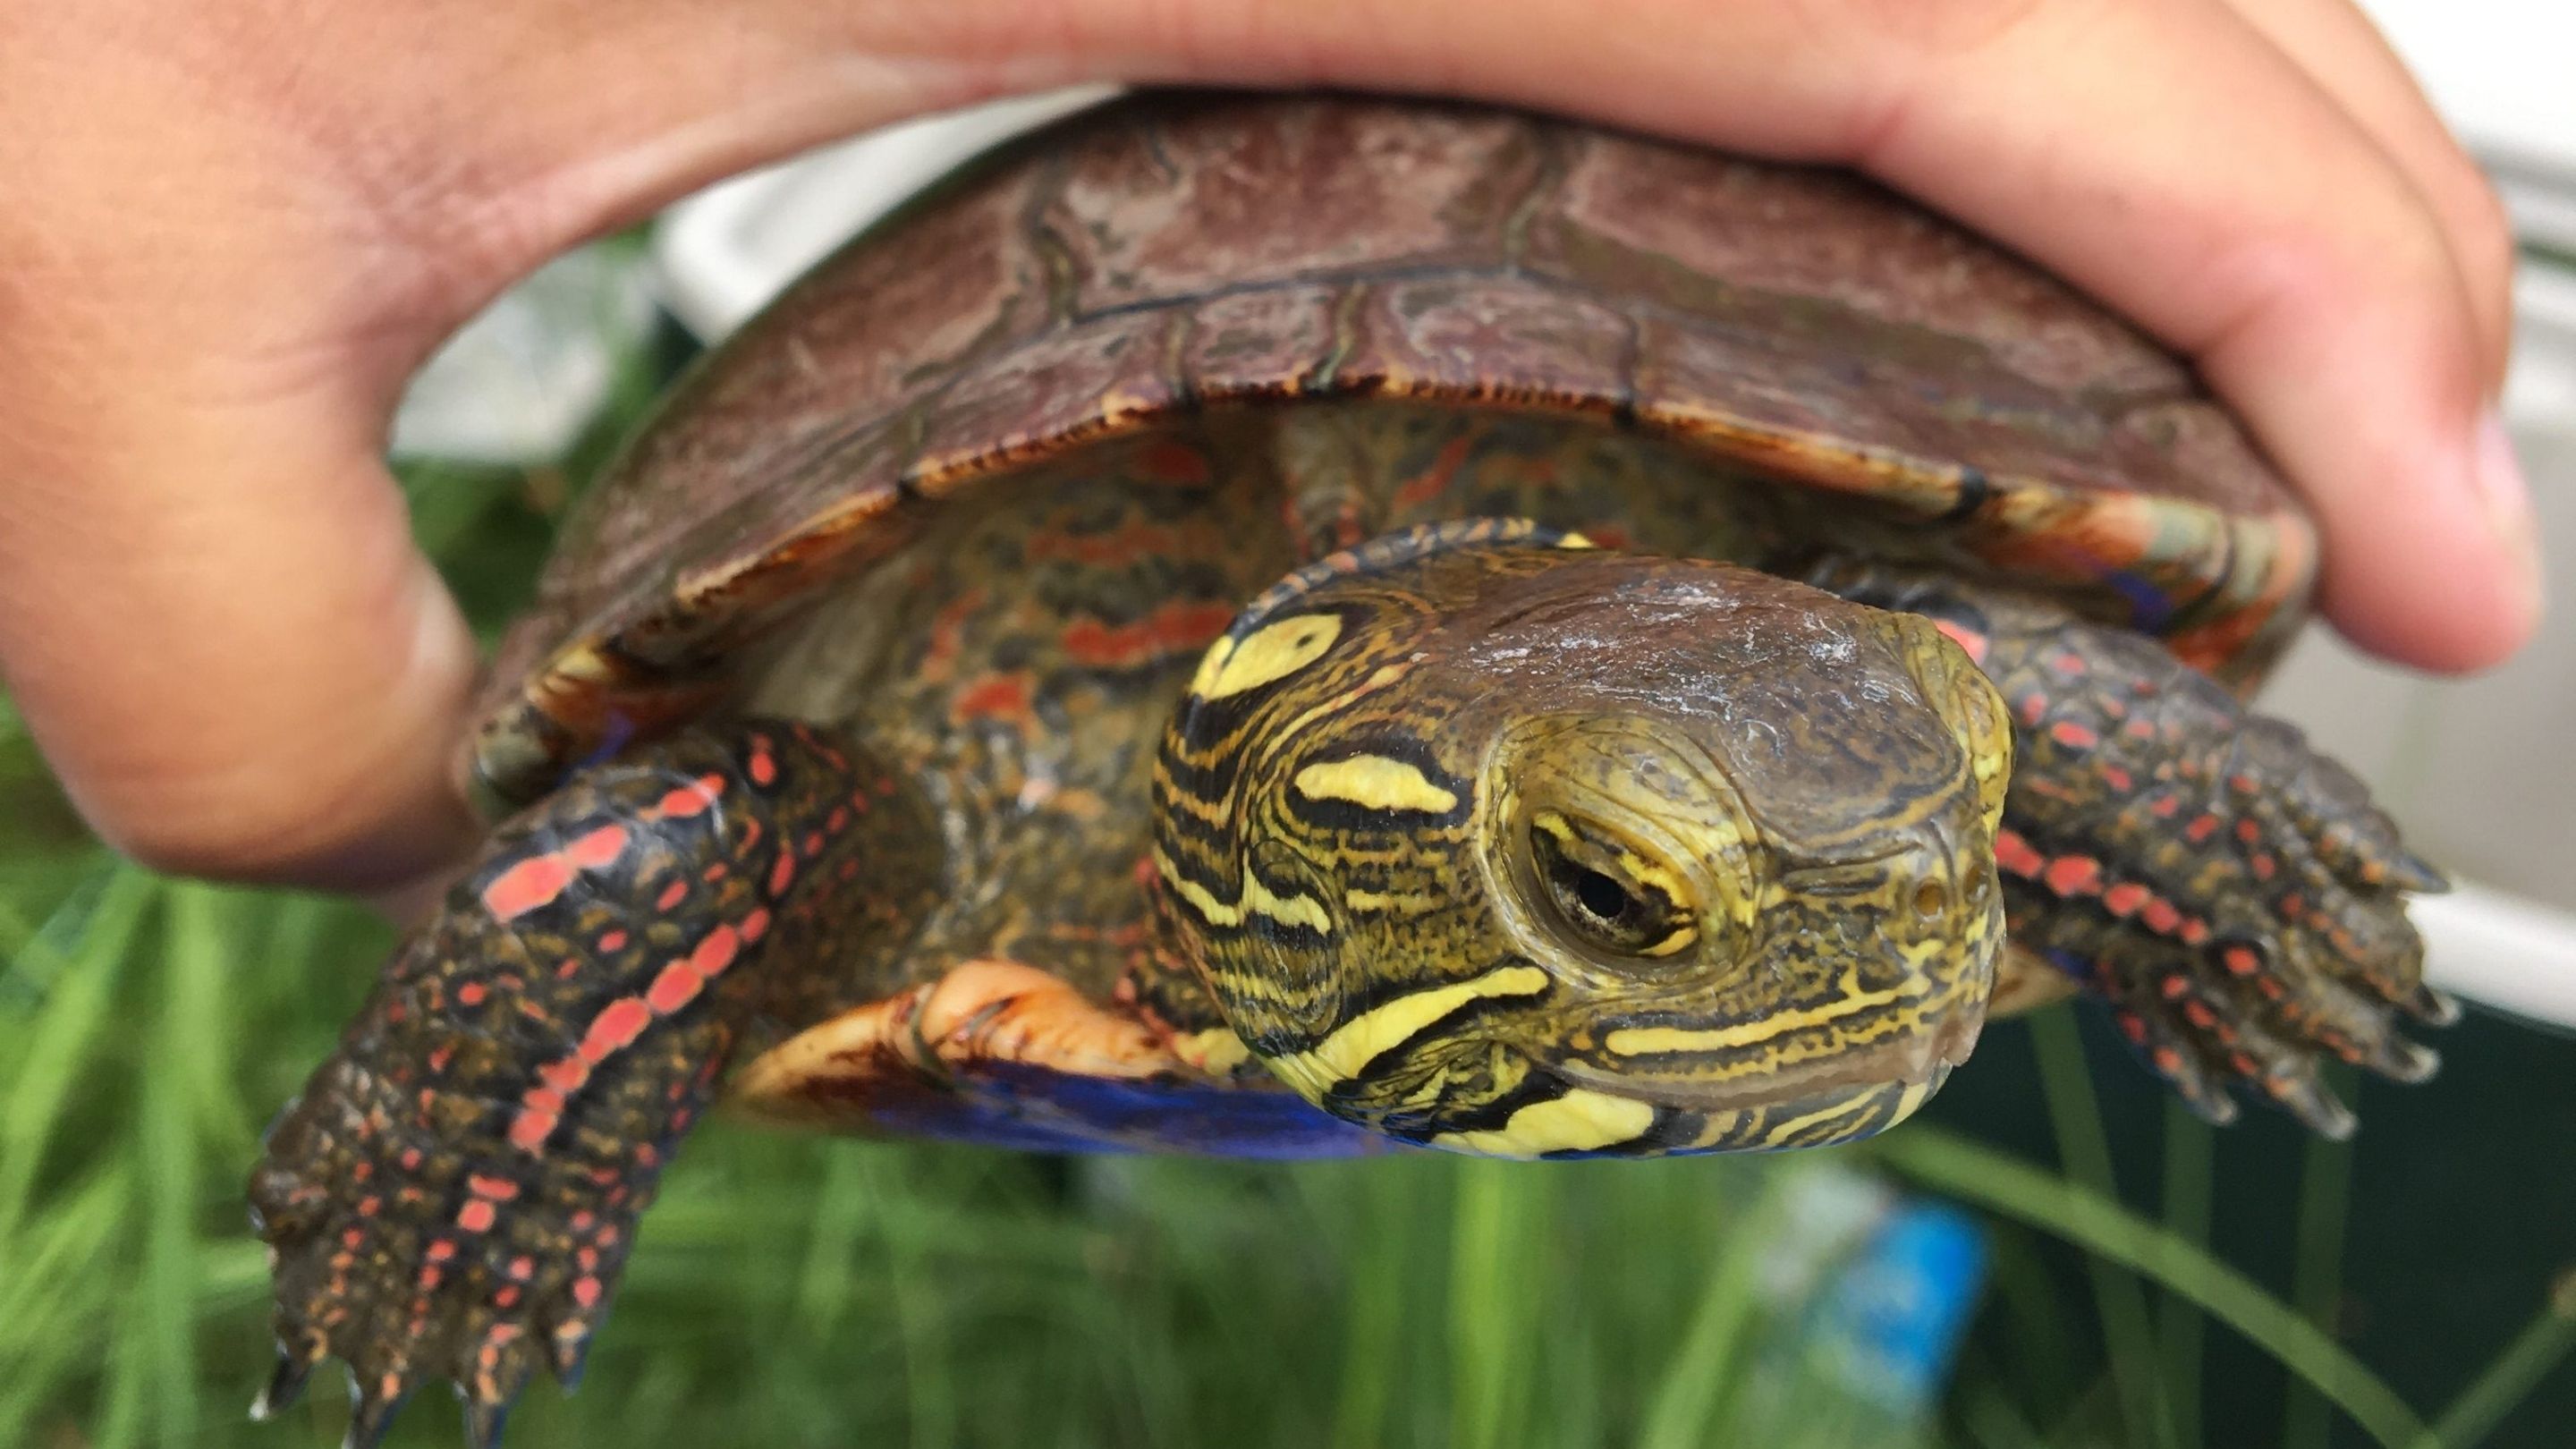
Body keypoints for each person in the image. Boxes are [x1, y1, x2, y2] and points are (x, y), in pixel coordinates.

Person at [0, 0, 2536, 898]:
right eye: (1645, 886)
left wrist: (2163, 844)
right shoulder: (917, 779)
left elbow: (1977, 697)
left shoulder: (1858, 737)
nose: (1846, 938)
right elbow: (673, 815)